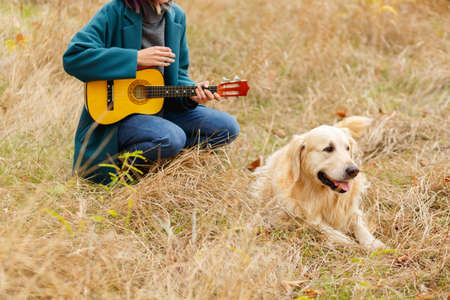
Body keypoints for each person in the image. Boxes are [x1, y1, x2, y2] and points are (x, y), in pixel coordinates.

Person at [63, 0, 240, 184]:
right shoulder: (116, 11)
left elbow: (178, 75)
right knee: (171, 137)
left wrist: (192, 93)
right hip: (117, 116)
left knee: (226, 128)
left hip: (161, 109)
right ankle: (120, 173)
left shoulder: (176, 17)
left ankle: (165, 167)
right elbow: (74, 56)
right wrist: (135, 59)